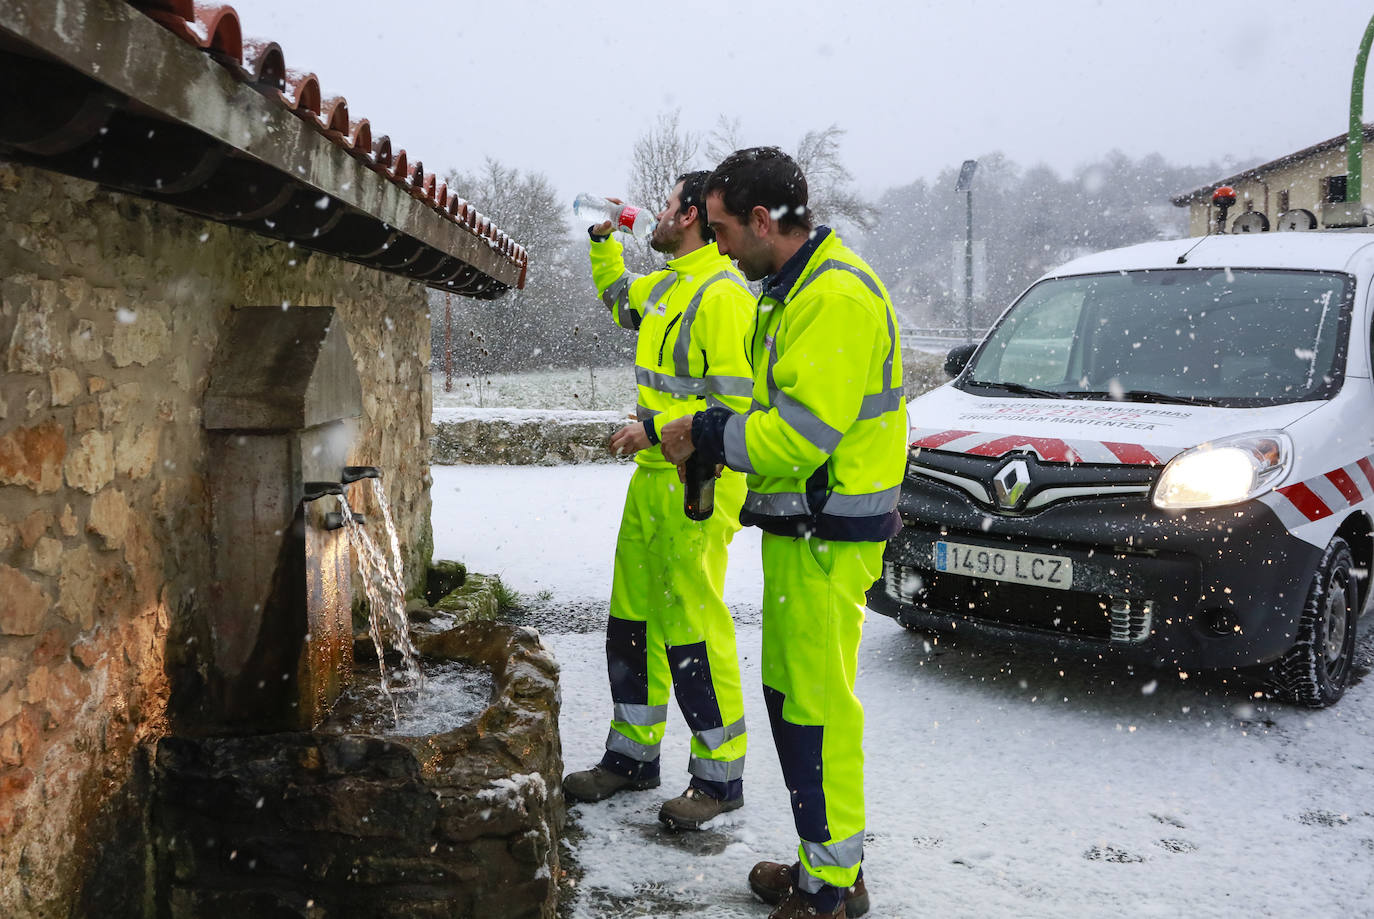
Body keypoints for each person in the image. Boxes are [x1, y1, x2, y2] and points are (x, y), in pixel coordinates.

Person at [658, 147, 907, 919]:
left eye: (727, 227)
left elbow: (798, 437)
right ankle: (827, 866)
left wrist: (704, 432)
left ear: (765, 221)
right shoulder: (792, 291)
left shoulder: (833, 297)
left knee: (814, 708)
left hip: (830, 537)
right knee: (796, 698)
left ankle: (829, 889)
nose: (720, 242)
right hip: (808, 533)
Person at [562, 171, 757, 831]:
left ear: (696, 215)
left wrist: (656, 428)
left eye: (671, 204)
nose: (660, 212)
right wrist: (601, 240)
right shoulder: (671, 285)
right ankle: (634, 756)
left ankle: (718, 776)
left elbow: (736, 406)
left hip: (699, 479)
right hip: (652, 477)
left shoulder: (724, 296)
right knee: (633, 622)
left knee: (692, 626)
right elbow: (621, 301)